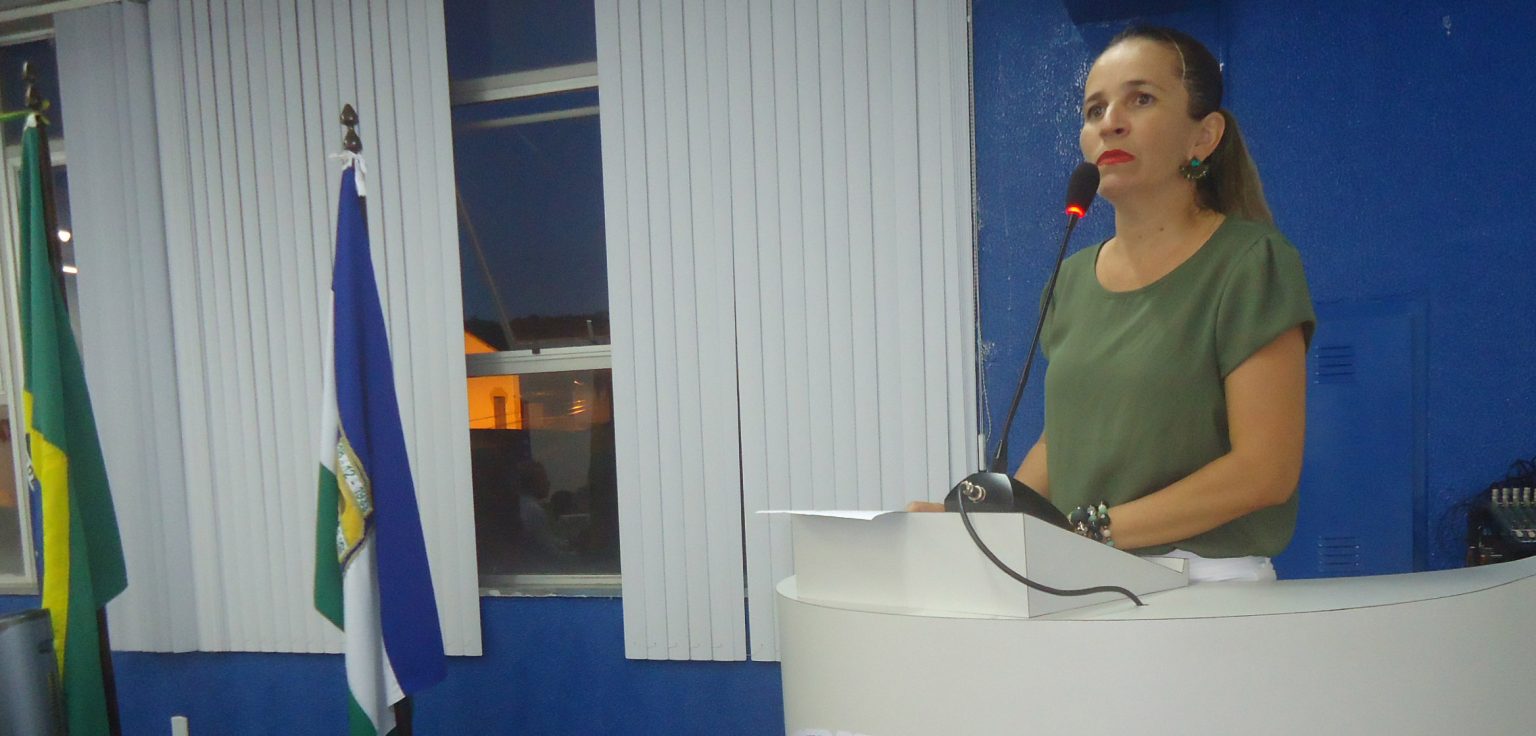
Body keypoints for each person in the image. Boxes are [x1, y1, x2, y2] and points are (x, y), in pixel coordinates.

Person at [911, 26, 1315, 584]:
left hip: (1204, 585)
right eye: (1094, 110)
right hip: (1077, 577)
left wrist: (1089, 530)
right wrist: (989, 527)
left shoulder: (1250, 263)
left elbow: (1264, 471)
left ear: (1204, 136)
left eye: (1140, 99)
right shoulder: (1072, 279)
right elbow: (1062, 442)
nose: (1111, 123)